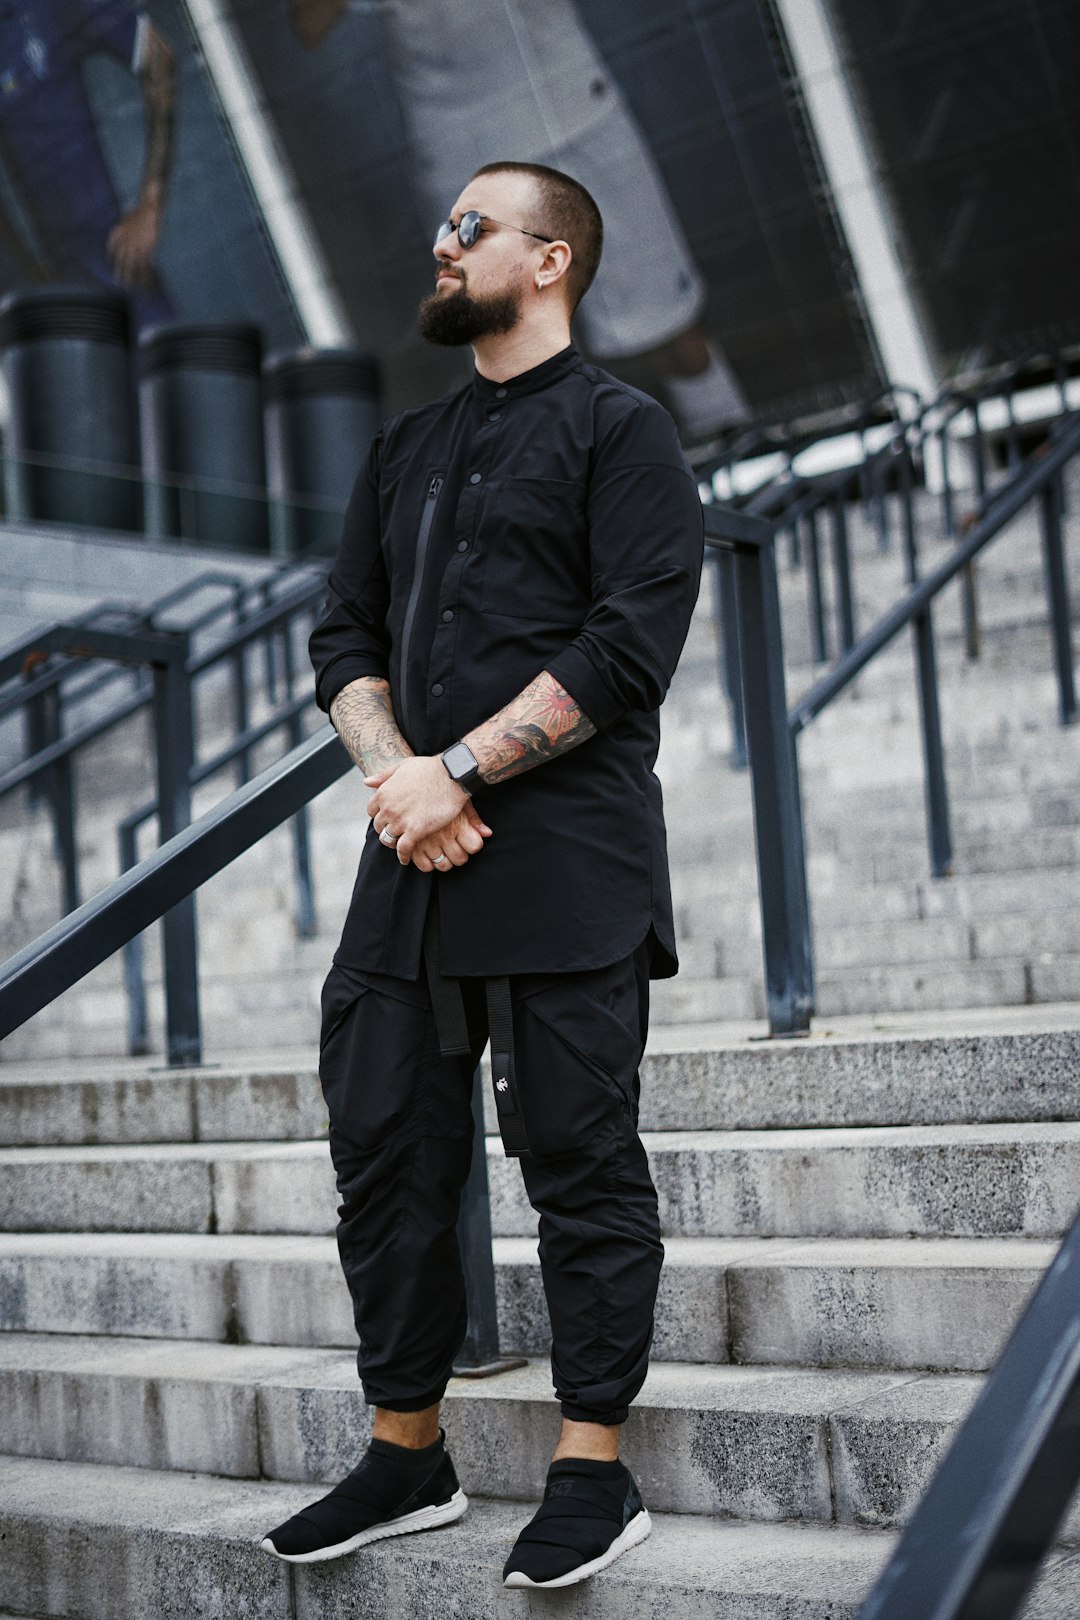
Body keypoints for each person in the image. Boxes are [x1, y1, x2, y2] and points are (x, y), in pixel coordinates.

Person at [260, 160, 703, 1589]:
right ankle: (407, 1450)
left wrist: (462, 771)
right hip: (412, 863)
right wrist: (404, 775)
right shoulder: (405, 449)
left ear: (551, 259)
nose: (440, 246)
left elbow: (630, 642)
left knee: (578, 1156)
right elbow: (344, 638)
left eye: (470, 228)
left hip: (565, 862)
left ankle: (592, 1466)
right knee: (383, 1152)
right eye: (444, 228)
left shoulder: (623, 431)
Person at [288, 0, 749, 440]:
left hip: (576, 115)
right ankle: (553, 512)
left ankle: (738, 450)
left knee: (669, 330)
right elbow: (308, 24)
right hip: (464, 153)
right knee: (513, 371)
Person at [0, 0, 176, 328]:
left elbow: (158, 57)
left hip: (121, 269)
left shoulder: (52, 8)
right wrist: (26, 265)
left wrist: (152, 202)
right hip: (59, 293)